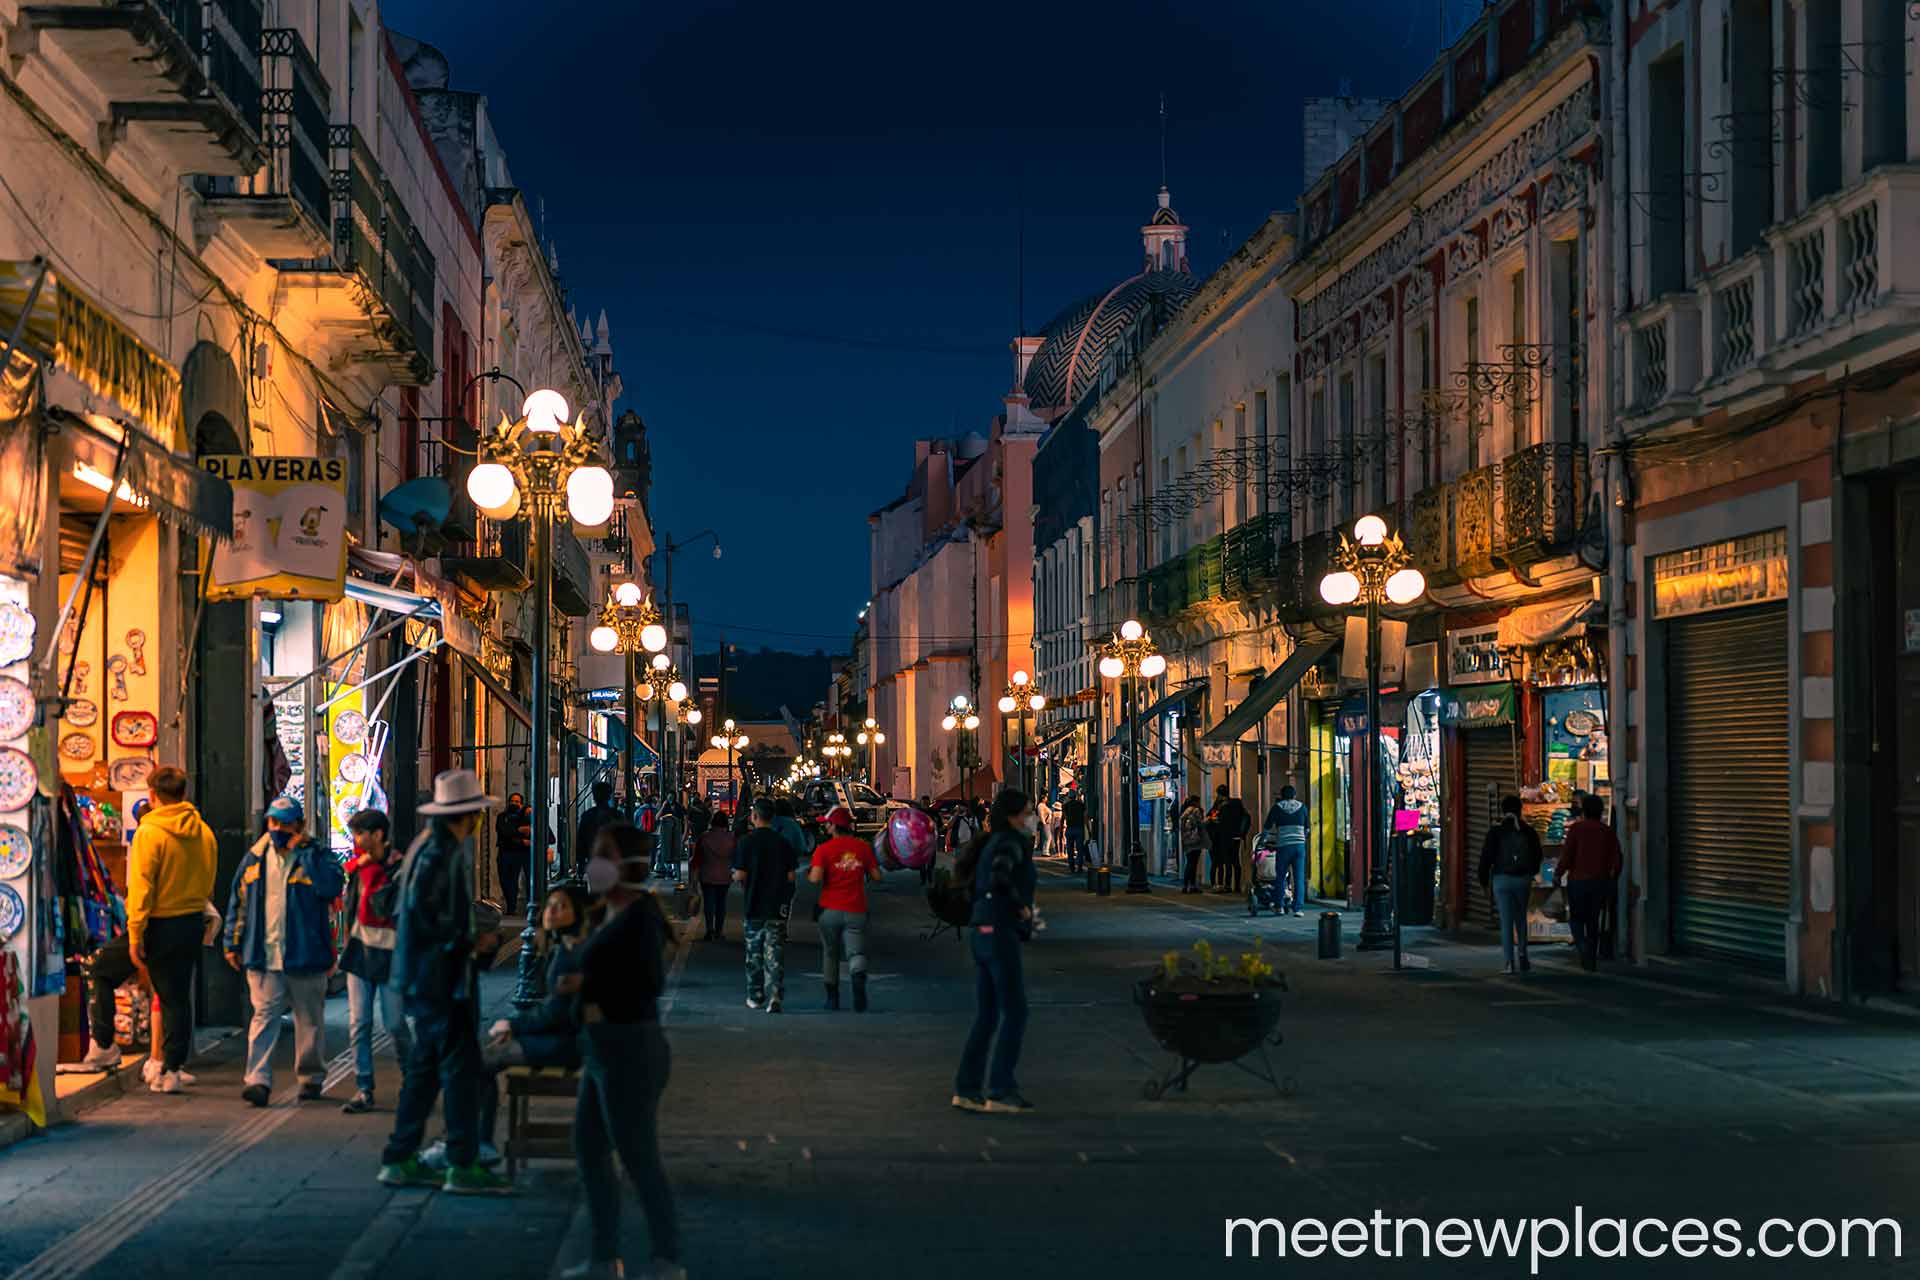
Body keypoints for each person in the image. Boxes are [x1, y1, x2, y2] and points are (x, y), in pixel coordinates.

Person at [378, 769, 511, 1194]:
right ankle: (461, 1161)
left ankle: (400, 1156)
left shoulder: (431, 848)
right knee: (459, 1071)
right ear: (466, 815)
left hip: (426, 980)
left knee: (425, 1072)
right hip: (443, 981)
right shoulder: (439, 855)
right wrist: (470, 940)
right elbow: (427, 920)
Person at [564, 824, 683, 1280]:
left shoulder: (640, 918)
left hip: (629, 1046)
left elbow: (648, 983)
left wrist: (586, 983)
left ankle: (667, 1259)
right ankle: (603, 1257)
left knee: (638, 1158)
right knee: (590, 1149)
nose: (595, 863)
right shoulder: (608, 913)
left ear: (628, 864)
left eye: (604, 854)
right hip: (602, 1047)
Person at [101, 765, 217, 1093]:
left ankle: (103, 1046)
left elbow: (141, 888)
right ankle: (173, 1068)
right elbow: (209, 881)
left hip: (158, 924)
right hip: (191, 921)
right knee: (177, 996)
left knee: (103, 970)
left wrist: (135, 934)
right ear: (183, 794)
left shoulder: (150, 833)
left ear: (153, 796)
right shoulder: (204, 832)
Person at [225, 795, 341, 1106]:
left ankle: (310, 1077)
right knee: (263, 1016)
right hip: (264, 954)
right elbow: (238, 901)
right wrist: (232, 942)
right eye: (274, 822)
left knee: (309, 1019)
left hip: (306, 953)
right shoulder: (254, 857)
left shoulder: (317, 854)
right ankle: (257, 1080)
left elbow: (331, 887)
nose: (278, 829)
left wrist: (303, 853)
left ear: (300, 826)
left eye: (286, 823)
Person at [951, 788, 1039, 1114]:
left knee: (987, 1014)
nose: (1032, 818)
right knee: (1015, 1012)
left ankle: (967, 1087)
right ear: (1015, 816)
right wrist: (1022, 909)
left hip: (980, 930)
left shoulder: (989, 842)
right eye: (1028, 811)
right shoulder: (1010, 843)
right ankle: (1000, 1089)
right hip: (999, 931)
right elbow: (1001, 876)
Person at [338, 809, 416, 1114]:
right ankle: (363, 1087)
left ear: (378, 835)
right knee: (359, 1023)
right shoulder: (358, 867)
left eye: (361, 834)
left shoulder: (399, 868)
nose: (356, 840)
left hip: (391, 954)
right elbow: (350, 902)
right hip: (360, 952)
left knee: (395, 1023)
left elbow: (390, 906)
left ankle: (412, 1080)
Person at [809, 805, 881, 1011]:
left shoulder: (823, 850)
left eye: (827, 824)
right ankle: (858, 978)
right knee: (856, 952)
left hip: (829, 909)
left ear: (834, 826)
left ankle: (832, 998)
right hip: (856, 908)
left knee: (830, 953)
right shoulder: (862, 848)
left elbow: (815, 879)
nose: (825, 828)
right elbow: (876, 877)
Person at [733, 798, 800, 1012]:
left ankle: (756, 995)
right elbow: (791, 877)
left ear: (754, 816)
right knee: (775, 953)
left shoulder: (746, 843)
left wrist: (736, 875)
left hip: (754, 904)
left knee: (754, 954)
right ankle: (776, 995)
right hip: (777, 904)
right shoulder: (783, 844)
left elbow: (740, 874)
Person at [1477, 794, 1545, 976]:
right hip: (1523, 879)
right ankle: (1523, 954)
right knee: (1520, 919)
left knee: (1506, 922)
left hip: (1501, 880)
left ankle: (1509, 963)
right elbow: (1538, 854)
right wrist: (1531, 872)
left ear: (1502, 810)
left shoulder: (1496, 832)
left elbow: (1486, 858)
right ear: (1520, 810)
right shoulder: (1528, 831)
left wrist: (1483, 881)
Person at [1555, 794, 1623, 972]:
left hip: (1578, 881)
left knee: (1577, 919)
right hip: (1600, 882)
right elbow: (1616, 858)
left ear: (1584, 811)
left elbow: (1567, 855)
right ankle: (1591, 955)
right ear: (1600, 812)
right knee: (1593, 920)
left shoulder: (1577, 829)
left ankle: (1583, 947)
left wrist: (1558, 874)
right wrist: (1612, 877)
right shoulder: (1607, 831)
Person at [1264, 784, 1311, 915]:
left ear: (1281, 795)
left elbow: (1267, 827)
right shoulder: (1302, 808)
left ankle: (1279, 906)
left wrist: (1263, 840)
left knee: (1281, 876)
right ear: (1294, 795)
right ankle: (1298, 908)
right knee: (1299, 877)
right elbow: (1307, 828)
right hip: (1299, 847)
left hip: (1284, 846)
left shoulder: (1277, 808)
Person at [693, 809, 737, 941]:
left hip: (706, 875)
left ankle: (709, 930)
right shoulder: (731, 838)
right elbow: (735, 858)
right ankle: (719, 931)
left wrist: (693, 881)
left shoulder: (704, 837)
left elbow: (696, 859)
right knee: (721, 904)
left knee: (709, 903)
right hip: (725, 875)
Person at [1205, 785, 1249, 894]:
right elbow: (1246, 816)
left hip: (1223, 837)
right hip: (1237, 836)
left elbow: (1213, 819)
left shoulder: (1221, 806)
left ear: (1219, 794)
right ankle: (1237, 886)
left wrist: (1213, 820)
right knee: (1236, 861)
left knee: (1225, 861)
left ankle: (1226, 885)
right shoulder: (1237, 803)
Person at [495, 792, 533, 916]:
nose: (515, 804)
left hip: (516, 854)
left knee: (513, 881)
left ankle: (512, 907)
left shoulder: (522, 818)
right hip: (504, 852)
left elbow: (523, 834)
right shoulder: (502, 817)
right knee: (504, 880)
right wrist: (518, 832)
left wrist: (520, 836)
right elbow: (504, 832)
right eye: (512, 801)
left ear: (521, 804)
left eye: (517, 802)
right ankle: (510, 904)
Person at [575, 779, 621, 870]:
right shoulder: (617, 815)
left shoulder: (588, 816)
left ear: (594, 797)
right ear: (609, 796)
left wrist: (581, 862)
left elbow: (581, 841)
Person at [1177, 794, 1206, 894]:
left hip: (1186, 839)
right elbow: (1201, 824)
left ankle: (1185, 885)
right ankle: (1192, 885)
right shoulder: (1196, 811)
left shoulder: (1184, 811)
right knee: (1193, 863)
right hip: (1195, 840)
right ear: (1195, 802)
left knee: (1189, 862)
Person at [1060, 791, 1088, 873]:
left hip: (1070, 828)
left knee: (1070, 849)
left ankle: (1071, 867)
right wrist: (1089, 829)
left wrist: (1061, 830)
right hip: (1079, 828)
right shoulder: (1081, 805)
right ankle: (1079, 867)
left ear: (1069, 797)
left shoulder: (1066, 805)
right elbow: (1085, 817)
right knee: (1080, 849)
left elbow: (1063, 818)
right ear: (1075, 796)